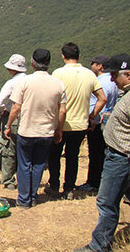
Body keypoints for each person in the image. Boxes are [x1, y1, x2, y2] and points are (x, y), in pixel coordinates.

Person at [78, 54, 130, 252]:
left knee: (107, 201)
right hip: (119, 154)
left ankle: (99, 246)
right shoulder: (124, 94)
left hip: (121, 156)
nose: (112, 78)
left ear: (128, 75)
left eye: (115, 74)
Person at [4, 49, 67, 208]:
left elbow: (16, 107)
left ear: (32, 63)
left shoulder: (24, 82)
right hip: (46, 132)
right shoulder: (58, 83)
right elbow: (62, 110)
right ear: (49, 63)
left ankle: (24, 199)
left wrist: (8, 125)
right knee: (39, 164)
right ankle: (32, 197)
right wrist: (59, 130)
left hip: (26, 130)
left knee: (24, 165)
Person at [49, 42, 107, 200]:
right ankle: (69, 189)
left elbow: (52, 98)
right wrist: (91, 116)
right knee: (72, 156)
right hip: (81, 124)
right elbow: (103, 98)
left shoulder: (58, 74)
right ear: (79, 56)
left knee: (54, 155)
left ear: (62, 55)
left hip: (61, 123)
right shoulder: (89, 74)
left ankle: (54, 185)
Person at [78, 55, 119, 193]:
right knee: (102, 153)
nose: (92, 66)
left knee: (95, 154)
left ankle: (93, 182)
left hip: (97, 122)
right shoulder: (112, 81)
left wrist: (92, 117)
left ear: (100, 66)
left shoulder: (101, 82)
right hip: (107, 121)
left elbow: (102, 100)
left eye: (93, 64)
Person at [0, 54, 27, 189]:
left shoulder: (12, 83)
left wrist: (2, 111)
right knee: (23, 149)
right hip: (27, 117)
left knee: (8, 148)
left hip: (11, 118)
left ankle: (8, 181)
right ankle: (23, 178)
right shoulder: (29, 80)